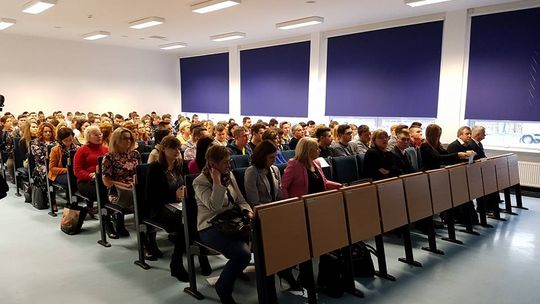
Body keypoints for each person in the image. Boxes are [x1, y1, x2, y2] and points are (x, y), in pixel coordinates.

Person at [145, 135, 211, 281]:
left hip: (178, 203)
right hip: (160, 207)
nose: (176, 151)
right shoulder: (155, 168)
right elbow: (151, 196)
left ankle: (200, 254)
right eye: (172, 148)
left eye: (177, 148)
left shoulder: (179, 165)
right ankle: (177, 262)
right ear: (163, 149)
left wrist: (184, 192)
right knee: (185, 220)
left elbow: (187, 184)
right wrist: (173, 195)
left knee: (196, 215)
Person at [193, 145, 253, 304]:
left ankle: (236, 269)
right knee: (243, 254)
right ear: (213, 164)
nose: (229, 165)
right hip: (210, 226)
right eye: (225, 162)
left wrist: (248, 212)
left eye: (229, 161)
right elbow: (215, 206)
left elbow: (240, 199)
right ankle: (223, 287)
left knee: (262, 238)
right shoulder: (200, 182)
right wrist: (217, 182)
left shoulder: (229, 175)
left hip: (232, 222)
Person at [101, 127, 141, 238]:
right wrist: (125, 185)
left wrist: (135, 183)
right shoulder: (109, 157)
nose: (128, 141)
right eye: (124, 138)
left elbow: (140, 174)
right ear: (116, 140)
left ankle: (145, 229)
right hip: (116, 190)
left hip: (134, 187)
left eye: (130, 138)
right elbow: (106, 181)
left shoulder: (135, 154)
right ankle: (118, 222)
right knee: (133, 196)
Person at [73, 125, 108, 219]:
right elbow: (77, 171)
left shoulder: (105, 149)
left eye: (100, 134)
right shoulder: (81, 151)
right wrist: (89, 175)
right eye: (96, 135)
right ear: (88, 136)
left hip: (103, 179)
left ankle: (111, 214)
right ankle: (106, 220)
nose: (99, 136)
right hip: (86, 182)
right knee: (103, 191)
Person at [244, 140, 283, 206]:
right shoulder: (252, 172)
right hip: (262, 209)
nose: (274, 160)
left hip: (276, 207)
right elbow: (254, 201)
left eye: (275, 157)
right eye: (271, 157)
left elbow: (279, 195)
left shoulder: (275, 169)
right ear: (262, 157)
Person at [48, 127, 78, 211]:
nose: (69, 142)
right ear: (61, 140)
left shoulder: (77, 148)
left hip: (73, 172)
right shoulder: (55, 150)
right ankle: (71, 202)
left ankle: (77, 201)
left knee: (80, 179)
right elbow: (52, 168)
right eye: (66, 140)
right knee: (71, 180)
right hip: (58, 174)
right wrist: (67, 170)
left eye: (71, 139)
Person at [30, 122, 56, 201]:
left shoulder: (56, 142)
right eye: (45, 131)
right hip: (42, 165)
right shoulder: (35, 142)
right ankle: (52, 199)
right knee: (49, 173)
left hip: (54, 164)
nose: (48, 133)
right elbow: (39, 158)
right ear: (41, 132)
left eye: (50, 131)